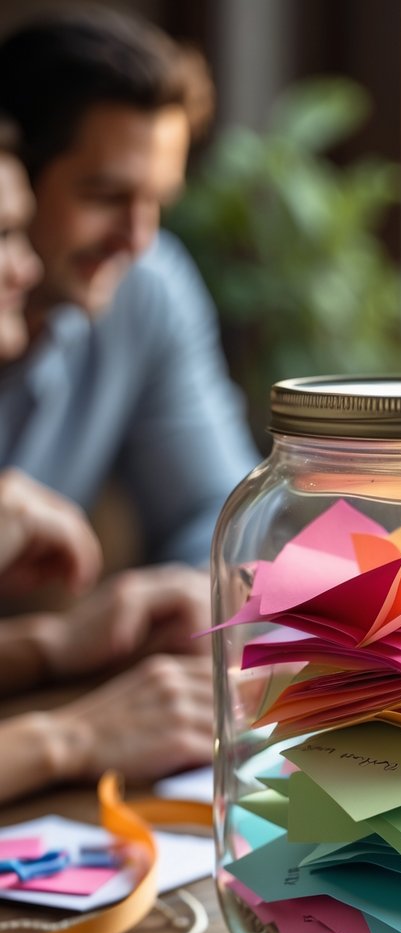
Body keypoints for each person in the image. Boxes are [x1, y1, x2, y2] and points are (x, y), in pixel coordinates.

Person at [0, 6, 261, 567]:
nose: (137, 239)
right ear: (13, 173)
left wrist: (194, 596)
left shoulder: (147, 286)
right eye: (104, 197)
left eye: (158, 201)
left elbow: (217, 512)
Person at [0, 122, 213, 804]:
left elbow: (213, 504)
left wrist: (52, 645)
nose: (25, 268)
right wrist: (69, 737)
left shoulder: (148, 292)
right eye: (1, 236)